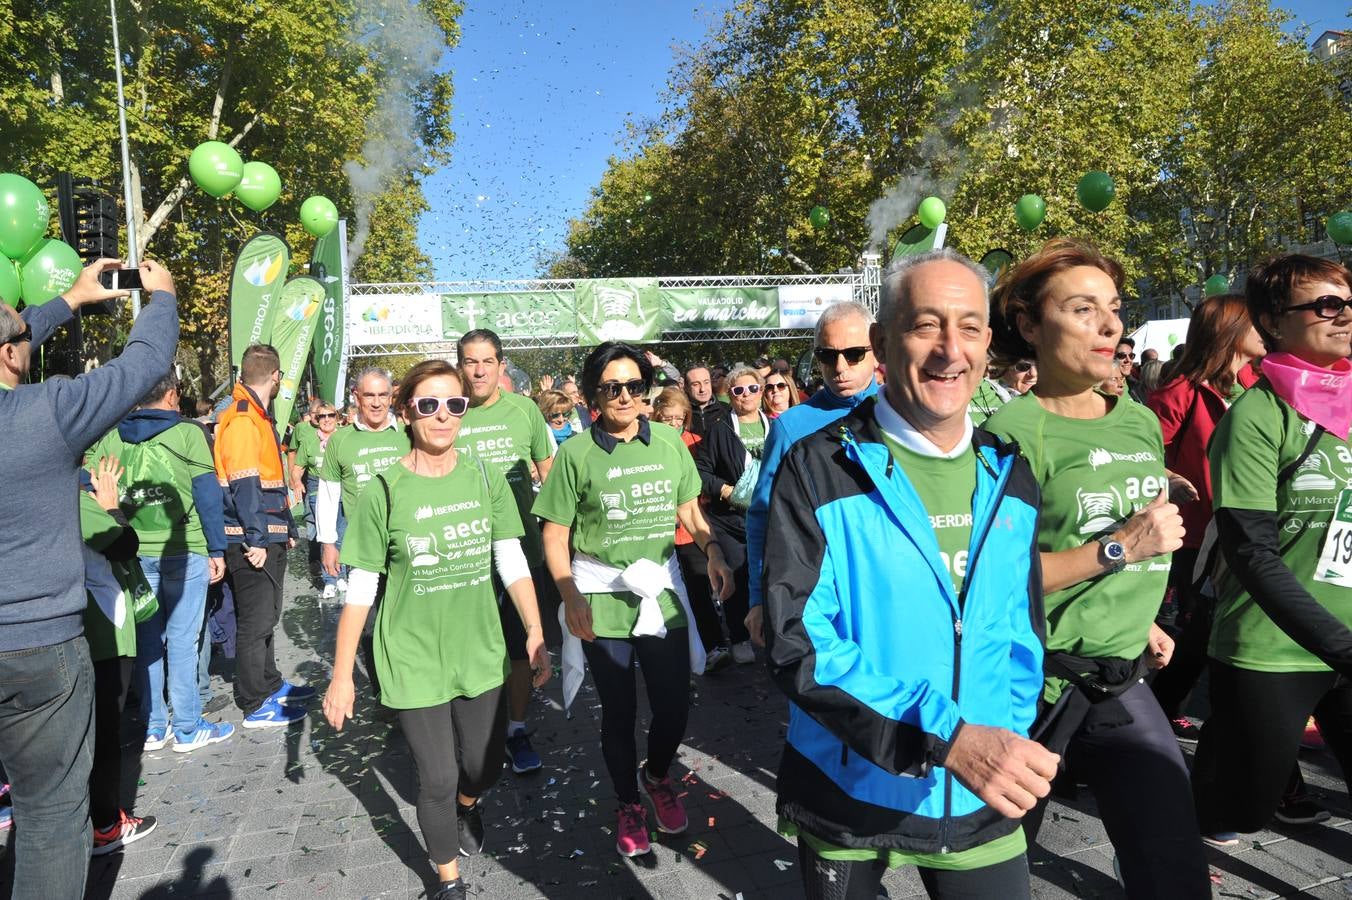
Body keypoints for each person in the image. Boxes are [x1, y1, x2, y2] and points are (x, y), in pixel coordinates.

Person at [764, 249, 1057, 899]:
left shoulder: (1012, 476)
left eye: (970, 327)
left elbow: (1020, 628)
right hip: (853, 791)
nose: (950, 350)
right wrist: (944, 734)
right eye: (926, 325)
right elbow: (798, 642)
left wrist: (1006, 729)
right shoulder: (816, 469)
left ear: (988, 346)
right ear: (881, 344)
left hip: (979, 795)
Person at [983, 238, 1209, 895]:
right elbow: (991, 583)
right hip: (1025, 693)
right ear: (1028, 325)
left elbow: (1111, 543)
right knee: (989, 875)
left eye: (1113, 308)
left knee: (1176, 872)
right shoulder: (1009, 435)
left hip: (1118, 682)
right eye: (1083, 309)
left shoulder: (1138, 422)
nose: (1110, 325)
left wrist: (1135, 621)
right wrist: (1122, 549)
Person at [323, 360, 549, 900]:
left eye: (455, 404)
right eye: (428, 404)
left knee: (481, 766)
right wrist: (341, 675)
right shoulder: (383, 490)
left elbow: (511, 559)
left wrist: (536, 631)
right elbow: (362, 588)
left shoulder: (486, 477)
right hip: (411, 653)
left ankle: (471, 806)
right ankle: (448, 881)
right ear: (407, 412)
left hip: (481, 650)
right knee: (438, 778)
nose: (443, 415)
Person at [0, 257, 177, 897]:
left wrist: (66, 302)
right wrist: (159, 298)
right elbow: (143, 366)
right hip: (40, 646)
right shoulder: (42, 413)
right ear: (14, 355)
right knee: (49, 817)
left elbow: (9, 342)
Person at [534, 342, 733, 859]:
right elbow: (554, 536)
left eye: (634, 386)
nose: (624, 396)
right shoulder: (576, 453)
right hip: (601, 599)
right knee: (618, 714)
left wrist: (712, 549)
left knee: (673, 707)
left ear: (647, 390)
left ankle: (658, 775)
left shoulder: (668, 442)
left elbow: (689, 513)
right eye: (611, 387)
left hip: (662, 596)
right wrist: (569, 593)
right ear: (594, 393)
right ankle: (627, 802)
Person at [1191, 255, 1352, 843]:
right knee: (1238, 810)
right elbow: (1251, 552)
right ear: (1274, 323)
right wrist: (1341, 644)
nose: (1344, 315)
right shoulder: (1257, 417)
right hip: (1271, 650)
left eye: (1348, 301)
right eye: (1326, 304)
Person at [89, 370, 230, 753]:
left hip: (133, 552)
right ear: (171, 395)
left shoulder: (109, 437)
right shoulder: (188, 433)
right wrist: (217, 550)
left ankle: (154, 727)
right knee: (185, 640)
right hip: (186, 549)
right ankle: (187, 727)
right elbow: (207, 495)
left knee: (148, 641)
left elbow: (92, 488)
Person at [1145, 295, 1265, 744]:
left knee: (1212, 627)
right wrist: (1171, 476)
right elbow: (1140, 458)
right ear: (1230, 331)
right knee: (1203, 627)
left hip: (1254, 525)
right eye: (1255, 322)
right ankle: (1163, 709)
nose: (1265, 330)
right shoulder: (1179, 393)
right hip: (1198, 535)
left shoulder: (1261, 384)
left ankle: (1165, 706)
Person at [745, 301, 880, 642]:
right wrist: (759, 598)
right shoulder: (791, 426)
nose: (839, 367)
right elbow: (763, 516)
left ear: (877, 349)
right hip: (816, 594)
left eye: (853, 354)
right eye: (826, 355)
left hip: (888, 588)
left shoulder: (904, 414)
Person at [456, 329, 558, 775]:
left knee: (520, 652)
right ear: (459, 365)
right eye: (470, 361)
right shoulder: (447, 412)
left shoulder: (525, 411)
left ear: (501, 365)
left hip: (523, 553)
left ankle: (516, 730)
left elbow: (552, 479)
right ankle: (474, 733)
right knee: (472, 650)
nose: (478, 370)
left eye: (486, 361)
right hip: (464, 559)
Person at [215, 344, 312, 728]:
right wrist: (255, 539)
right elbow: (244, 484)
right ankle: (254, 701)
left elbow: (268, 483)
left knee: (267, 616)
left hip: (265, 532)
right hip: (248, 538)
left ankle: (269, 683)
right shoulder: (241, 419)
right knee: (255, 621)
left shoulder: (255, 415)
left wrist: (284, 528)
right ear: (276, 376)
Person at [80, 457, 159, 854]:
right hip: (103, 631)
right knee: (104, 733)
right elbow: (124, 544)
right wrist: (109, 505)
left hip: (86, 628)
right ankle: (106, 825)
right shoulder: (69, 498)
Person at [316, 367, 410, 696]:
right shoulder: (341, 440)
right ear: (356, 397)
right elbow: (328, 495)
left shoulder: (407, 435)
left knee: (405, 618)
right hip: (364, 550)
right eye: (369, 395)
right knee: (369, 624)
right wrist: (327, 542)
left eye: (383, 395)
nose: (376, 402)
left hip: (407, 545)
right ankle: (384, 691)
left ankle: (408, 680)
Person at [695, 365, 769, 667]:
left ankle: (773, 631)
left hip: (770, 517)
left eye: (753, 389)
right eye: (738, 390)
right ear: (731, 395)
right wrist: (725, 490)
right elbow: (700, 471)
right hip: (732, 520)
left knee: (772, 575)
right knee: (737, 575)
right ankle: (739, 637)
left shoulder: (777, 426)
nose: (746, 395)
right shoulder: (720, 429)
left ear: (761, 392)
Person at [652, 387, 725, 666]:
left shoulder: (695, 441)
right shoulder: (646, 444)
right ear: (656, 417)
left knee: (699, 589)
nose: (673, 425)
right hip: (660, 531)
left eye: (678, 419)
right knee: (666, 594)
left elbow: (702, 487)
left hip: (690, 529)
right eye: (667, 419)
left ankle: (715, 646)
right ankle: (673, 651)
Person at [291, 400, 342, 598]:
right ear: (316, 419)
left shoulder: (345, 438)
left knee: (342, 536)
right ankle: (329, 579)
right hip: (317, 490)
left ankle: (342, 576)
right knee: (324, 536)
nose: (327, 419)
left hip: (342, 491)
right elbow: (297, 467)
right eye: (322, 416)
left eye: (331, 415)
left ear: (337, 418)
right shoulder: (310, 441)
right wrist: (296, 482)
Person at [969, 357, 1038, 423]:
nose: (1034, 374)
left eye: (1039, 366)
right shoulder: (980, 387)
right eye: (1023, 366)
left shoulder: (1042, 405)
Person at [684, 363, 730, 436]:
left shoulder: (727, 410)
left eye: (706, 382)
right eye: (696, 384)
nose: (702, 389)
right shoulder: (681, 413)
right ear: (686, 387)